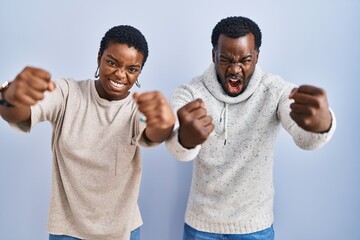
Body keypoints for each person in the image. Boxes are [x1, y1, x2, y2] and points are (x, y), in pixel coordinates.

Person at [165, 16, 336, 240]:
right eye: (226, 59)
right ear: (213, 55)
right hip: (201, 226)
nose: (235, 69)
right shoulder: (190, 92)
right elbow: (177, 147)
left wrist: (321, 125)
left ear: (256, 56)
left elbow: (305, 139)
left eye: (245, 60)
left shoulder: (275, 91)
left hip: (254, 228)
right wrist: (185, 139)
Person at [0, 25, 175, 240]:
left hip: (121, 231)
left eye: (132, 69)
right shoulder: (67, 93)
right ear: (99, 58)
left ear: (139, 72)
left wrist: (164, 126)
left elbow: (151, 132)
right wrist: (9, 99)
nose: (120, 74)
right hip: (67, 229)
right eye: (112, 62)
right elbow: (20, 113)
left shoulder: (138, 109)